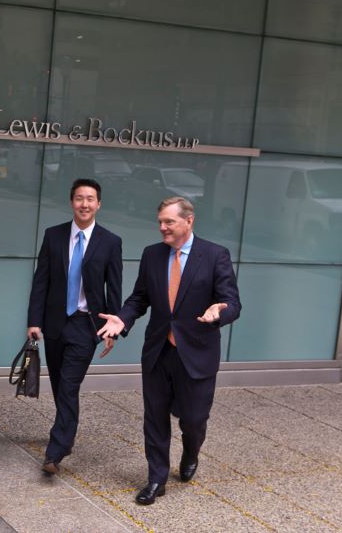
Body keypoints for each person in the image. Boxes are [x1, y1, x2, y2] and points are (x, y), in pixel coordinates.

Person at [97, 196, 240, 505]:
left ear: (189, 221)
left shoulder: (215, 255)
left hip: (197, 352)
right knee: (155, 418)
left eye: (169, 222)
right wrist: (122, 319)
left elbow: (232, 302)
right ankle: (156, 479)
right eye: (160, 222)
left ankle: (191, 451)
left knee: (193, 419)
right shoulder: (152, 255)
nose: (162, 227)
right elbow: (140, 298)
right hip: (159, 350)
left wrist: (219, 311)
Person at [27, 178, 123, 475]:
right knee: (60, 385)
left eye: (90, 199)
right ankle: (66, 435)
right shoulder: (53, 236)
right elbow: (41, 281)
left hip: (86, 324)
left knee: (69, 385)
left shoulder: (110, 242)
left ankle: (56, 450)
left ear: (99, 204)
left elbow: (114, 289)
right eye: (80, 198)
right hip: (55, 322)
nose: (85, 204)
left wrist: (112, 328)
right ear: (72, 202)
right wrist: (34, 321)